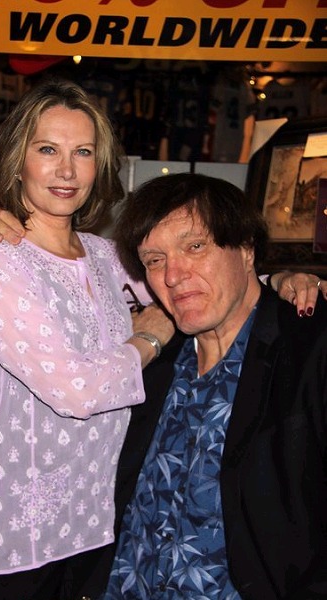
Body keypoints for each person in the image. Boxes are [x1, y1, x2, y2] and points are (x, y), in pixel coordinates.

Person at [0, 77, 176, 600]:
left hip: (92, 520)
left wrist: (277, 281)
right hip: (13, 530)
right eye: (48, 149)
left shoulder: (105, 255)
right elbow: (75, 390)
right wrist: (148, 339)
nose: (67, 170)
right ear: (17, 161)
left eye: (83, 152)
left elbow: (190, 288)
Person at [99, 172, 327, 600]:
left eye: (195, 247)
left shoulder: (309, 348)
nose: (173, 275)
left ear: (246, 250)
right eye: (155, 260)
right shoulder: (151, 359)